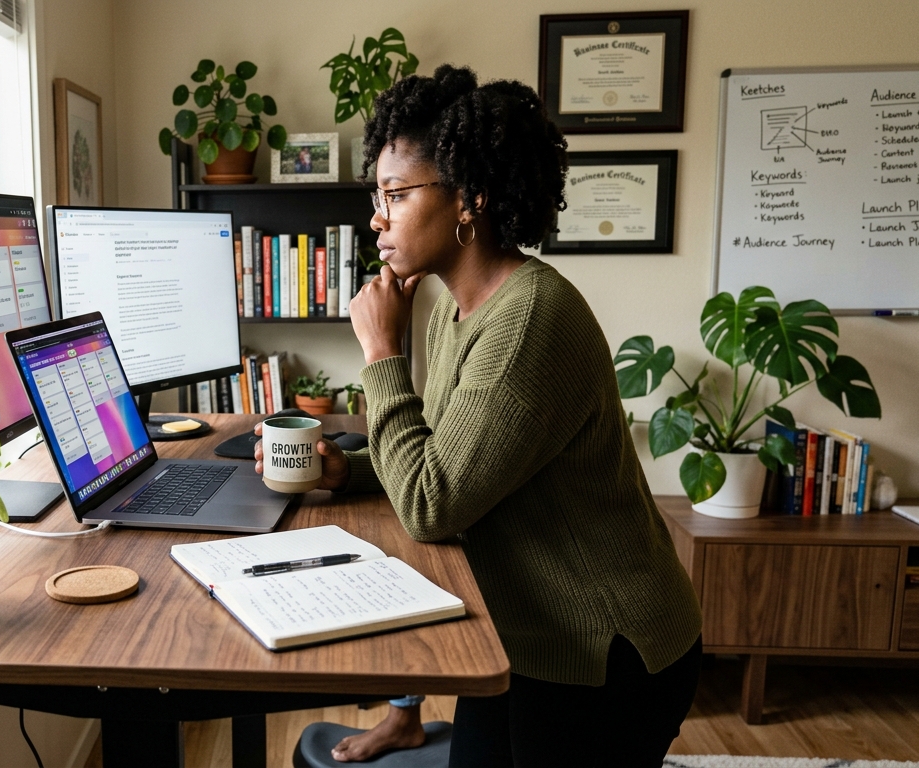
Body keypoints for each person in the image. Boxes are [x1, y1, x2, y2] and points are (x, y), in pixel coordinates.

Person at [253, 64, 704, 767]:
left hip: (602, 650)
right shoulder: (459, 309)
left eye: (397, 194)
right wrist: (352, 471)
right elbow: (444, 455)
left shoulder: (528, 320)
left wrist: (381, 349)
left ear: (471, 198)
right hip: (524, 635)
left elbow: (434, 504)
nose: (377, 216)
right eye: (379, 195)